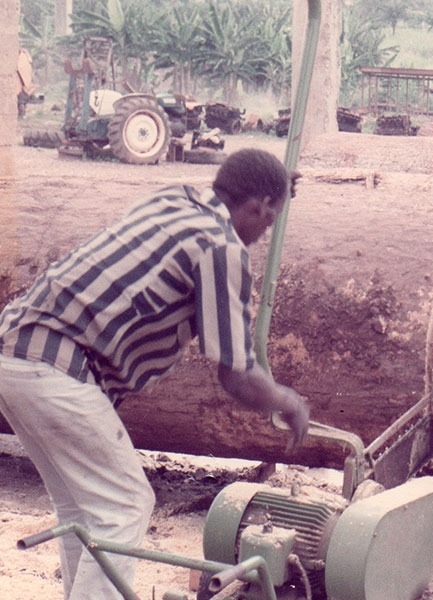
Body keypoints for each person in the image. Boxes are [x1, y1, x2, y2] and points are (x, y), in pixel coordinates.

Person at [0, 148, 310, 599]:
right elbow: (236, 375)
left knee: (84, 512)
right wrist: (287, 401)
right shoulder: (220, 248)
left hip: (13, 347)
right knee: (125, 504)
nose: (265, 232)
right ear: (258, 205)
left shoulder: (173, 199)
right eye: (268, 219)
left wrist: (276, 183)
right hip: (56, 365)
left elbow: (247, 195)